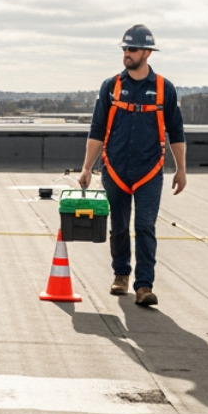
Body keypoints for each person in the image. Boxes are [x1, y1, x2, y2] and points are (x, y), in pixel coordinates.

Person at [77, 24, 187, 307]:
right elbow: (97, 129)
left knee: (145, 226)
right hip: (115, 169)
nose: (127, 53)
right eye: (125, 48)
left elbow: (177, 132)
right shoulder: (111, 86)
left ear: (147, 52)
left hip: (149, 171)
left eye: (132, 49)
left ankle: (144, 286)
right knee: (120, 225)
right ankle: (121, 275)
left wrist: (181, 169)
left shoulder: (165, 89)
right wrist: (87, 167)